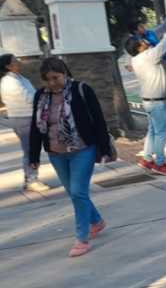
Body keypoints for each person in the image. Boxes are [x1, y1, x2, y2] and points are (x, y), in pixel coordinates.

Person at [28, 57, 113, 258]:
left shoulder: (81, 90)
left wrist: (104, 149)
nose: (51, 83)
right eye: (47, 79)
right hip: (56, 153)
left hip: (82, 150)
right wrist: (33, 156)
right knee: (75, 193)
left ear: (64, 73)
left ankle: (82, 238)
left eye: (55, 78)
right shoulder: (41, 95)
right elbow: (36, 127)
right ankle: (97, 221)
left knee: (77, 193)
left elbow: (99, 120)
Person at [126, 18, 166, 176]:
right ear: (139, 47)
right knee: (161, 133)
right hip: (157, 101)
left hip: (148, 101)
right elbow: (164, 43)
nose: (145, 41)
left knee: (153, 131)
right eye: (142, 41)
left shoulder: (136, 60)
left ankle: (147, 159)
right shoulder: (149, 56)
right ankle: (160, 163)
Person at [1, 54, 49, 192]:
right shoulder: (9, 82)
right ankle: (31, 180)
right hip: (22, 118)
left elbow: (32, 95)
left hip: (29, 117)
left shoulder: (20, 78)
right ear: (8, 66)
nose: (18, 61)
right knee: (30, 150)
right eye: (15, 60)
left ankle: (31, 178)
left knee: (32, 149)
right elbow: (28, 98)